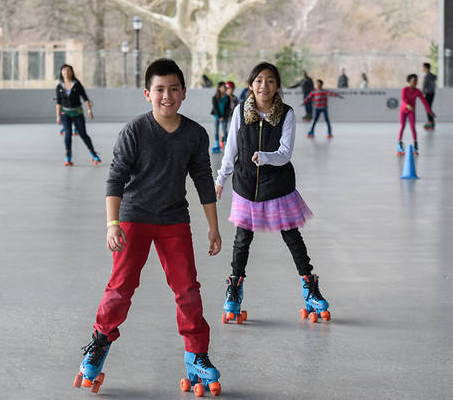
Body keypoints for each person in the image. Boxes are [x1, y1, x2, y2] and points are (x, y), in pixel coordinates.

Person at [73, 59, 222, 396]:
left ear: (184, 93)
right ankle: (98, 345)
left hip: (173, 219)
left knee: (188, 290)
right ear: (147, 94)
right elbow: (115, 178)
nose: (166, 96)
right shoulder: (135, 131)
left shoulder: (195, 134)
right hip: (133, 217)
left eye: (173, 89)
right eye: (159, 90)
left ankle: (196, 355)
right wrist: (113, 224)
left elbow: (203, 181)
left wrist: (213, 228)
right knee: (121, 288)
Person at [214, 62, 330, 326]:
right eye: (258, 81)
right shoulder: (239, 113)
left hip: (277, 185)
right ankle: (234, 290)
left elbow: (285, 153)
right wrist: (221, 179)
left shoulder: (286, 114)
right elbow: (230, 148)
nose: (263, 86)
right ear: (250, 84)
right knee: (242, 240)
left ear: (276, 86)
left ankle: (310, 288)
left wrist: (264, 157)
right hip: (246, 185)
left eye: (269, 81)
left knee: (292, 237)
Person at [55, 64, 100, 166]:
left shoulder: (77, 84)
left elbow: (85, 98)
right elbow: (58, 102)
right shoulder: (59, 86)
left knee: (83, 134)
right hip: (65, 113)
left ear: (72, 72)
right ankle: (68, 156)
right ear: (62, 73)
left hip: (77, 113)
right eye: (64, 71)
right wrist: (58, 116)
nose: (66, 73)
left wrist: (89, 111)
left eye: (68, 71)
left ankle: (93, 154)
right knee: (68, 134)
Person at [398, 74, 435, 155]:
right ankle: (399, 145)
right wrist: (409, 106)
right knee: (402, 126)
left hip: (412, 111)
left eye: (416, 81)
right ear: (409, 81)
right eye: (414, 81)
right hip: (403, 111)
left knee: (413, 128)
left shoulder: (417, 91)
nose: (416, 82)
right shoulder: (404, 89)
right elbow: (403, 100)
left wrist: (429, 111)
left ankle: (415, 145)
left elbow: (424, 101)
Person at [210, 82, 231, 154]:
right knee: (216, 131)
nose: (224, 88)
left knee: (225, 131)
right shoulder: (215, 98)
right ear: (219, 88)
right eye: (223, 87)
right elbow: (215, 108)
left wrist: (224, 117)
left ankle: (226, 146)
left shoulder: (227, 97)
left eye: (225, 87)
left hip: (224, 117)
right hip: (217, 116)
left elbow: (228, 108)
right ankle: (217, 145)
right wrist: (219, 117)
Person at [422, 63, 437, 130]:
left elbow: (424, 86)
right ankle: (431, 123)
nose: (423, 69)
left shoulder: (427, 76)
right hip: (432, 93)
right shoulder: (432, 76)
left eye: (423, 67)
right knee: (428, 108)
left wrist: (422, 94)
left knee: (428, 108)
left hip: (428, 94)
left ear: (426, 68)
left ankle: (431, 123)